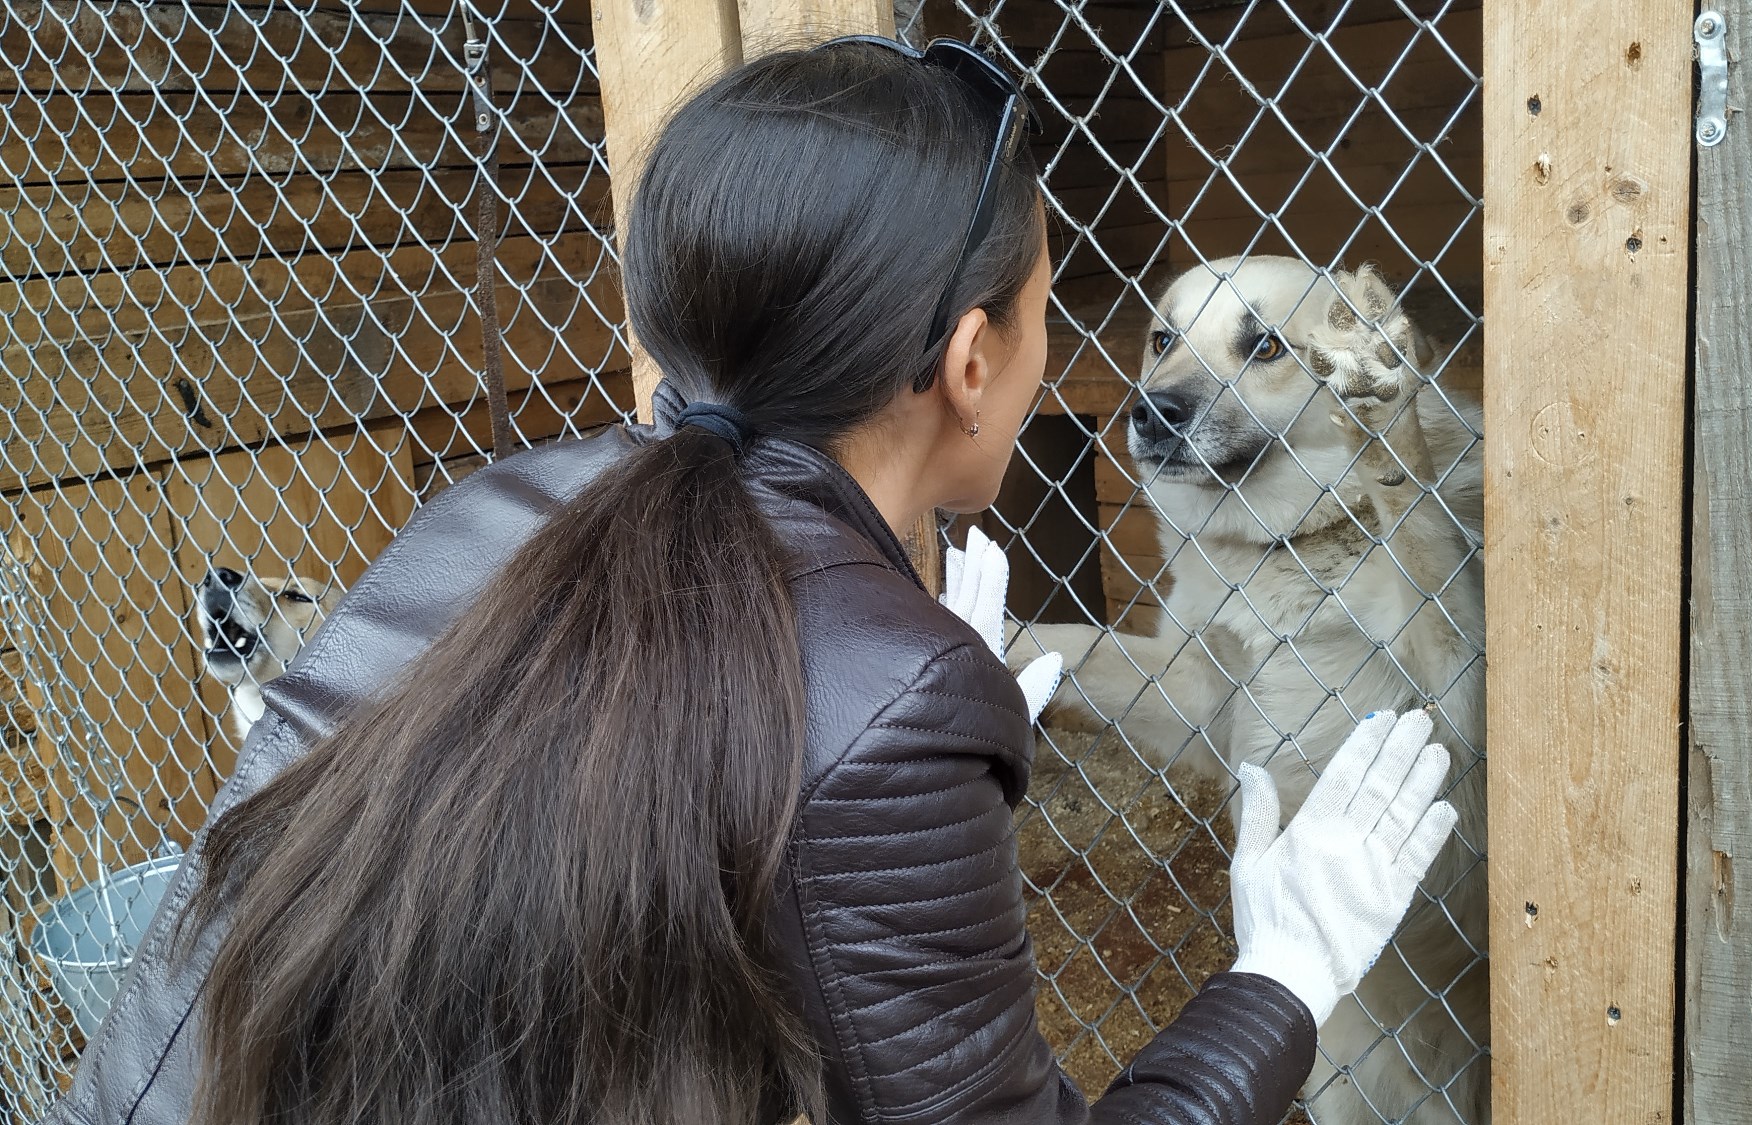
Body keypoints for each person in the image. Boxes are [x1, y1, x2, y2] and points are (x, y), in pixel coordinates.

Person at [41, 37, 1458, 1125]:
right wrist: (1286, 966)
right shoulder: (882, 697)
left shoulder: (500, 505)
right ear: (974, 364)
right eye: (1053, 314)